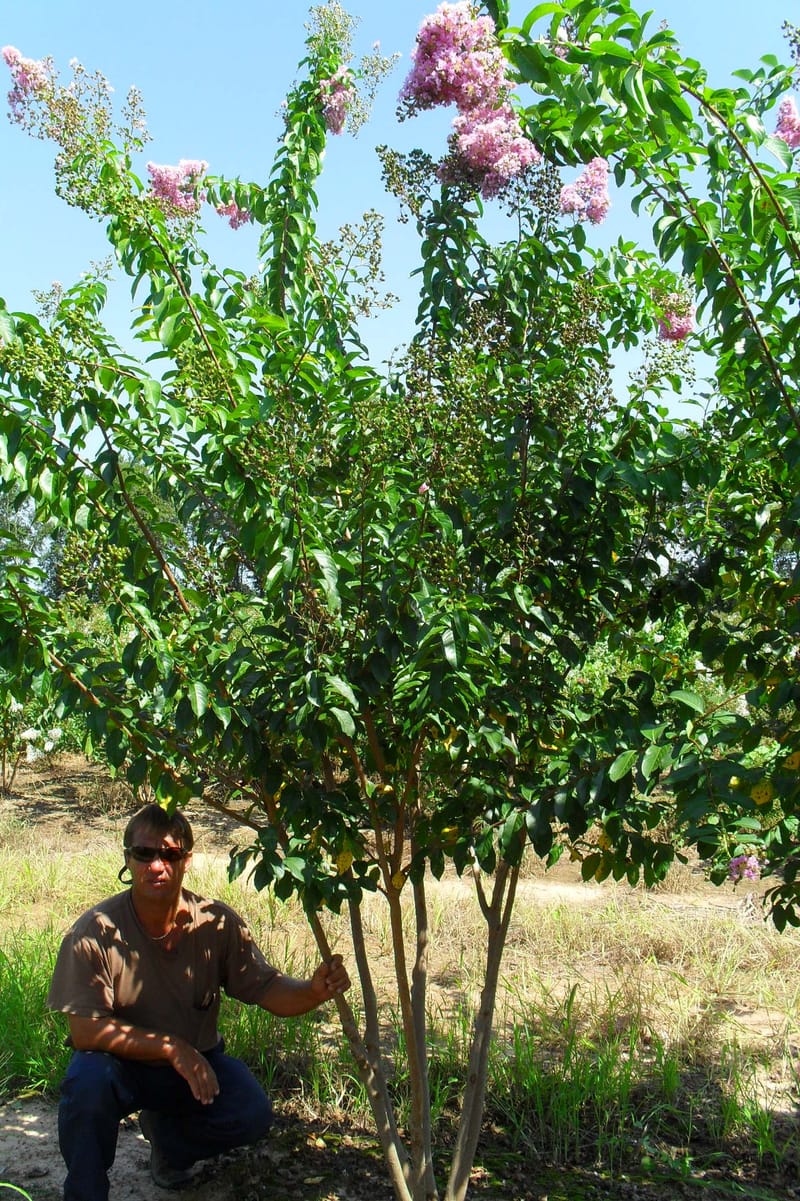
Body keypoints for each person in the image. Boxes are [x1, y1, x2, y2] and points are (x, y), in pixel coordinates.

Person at [47, 802, 350, 1200]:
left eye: (170, 854)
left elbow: (266, 988)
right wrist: (171, 1047)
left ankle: (169, 1145)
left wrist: (313, 991)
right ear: (128, 859)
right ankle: (85, 1191)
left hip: (194, 1067)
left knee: (251, 1112)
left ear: (187, 860)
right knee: (86, 1083)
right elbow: (87, 1032)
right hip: (120, 1065)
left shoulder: (215, 923)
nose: (157, 866)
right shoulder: (94, 932)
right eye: (144, 854)